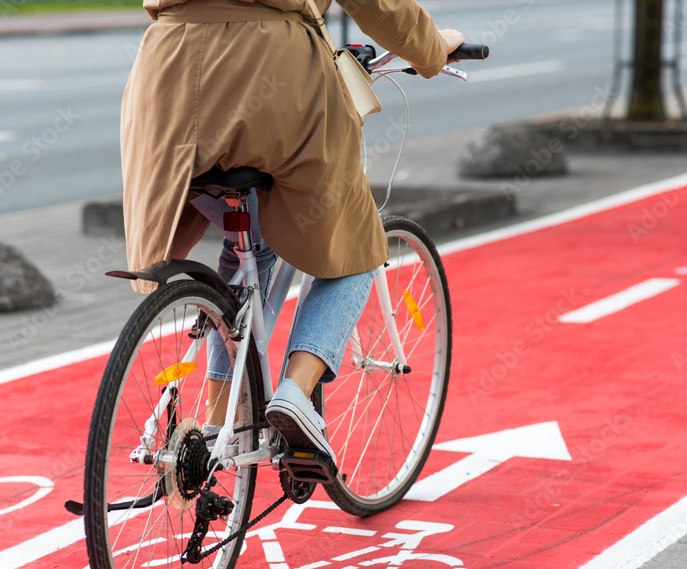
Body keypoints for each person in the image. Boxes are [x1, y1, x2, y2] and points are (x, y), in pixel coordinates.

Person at [121, 0, 464, 460]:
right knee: (356, 240)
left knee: (246, 245)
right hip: (270, 73)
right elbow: (381, 6)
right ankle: (296, 395)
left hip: (166, 82)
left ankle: (219, 427)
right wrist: (433, 50)